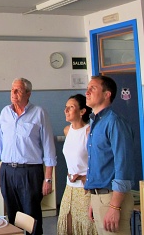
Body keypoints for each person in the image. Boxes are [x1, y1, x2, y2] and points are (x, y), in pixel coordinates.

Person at [0, 78, 56, 235]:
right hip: (7, 171)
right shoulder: (5, 112)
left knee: (31, 216)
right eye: (12, 90)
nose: (13, 93)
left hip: (30, 172)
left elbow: (49, 148)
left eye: (18, 90)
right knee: (13, 216)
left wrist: (48, 179)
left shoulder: (39, 113)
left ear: (28, 94)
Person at [85, 75, 134, 235]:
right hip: (99, 197)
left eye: (93, 88)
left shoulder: (114, 122)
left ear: (107, 94)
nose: (87, 92)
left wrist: (114, 206)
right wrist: (94, 198)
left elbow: (123, 165)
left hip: (113, 198)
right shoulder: (95, 122)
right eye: (87, 88)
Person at [57, 94, 97, 235]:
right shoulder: (67, 131)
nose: (66, 110)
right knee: (66, 225)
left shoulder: (89, 132)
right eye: (65, 107)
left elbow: (96, 162)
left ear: (82, 111)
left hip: (85, 189)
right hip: (69, 188)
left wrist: (87, 178)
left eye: (71, 107)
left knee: (86, 227)